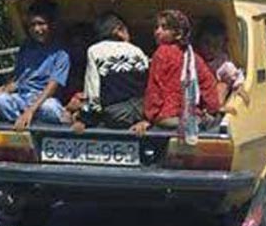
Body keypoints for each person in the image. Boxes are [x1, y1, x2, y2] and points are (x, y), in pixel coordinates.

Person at [131, 10, 221, 143]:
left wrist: (148, 118)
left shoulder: (161, 54)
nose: (157, 32)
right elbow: (208, 85)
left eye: (164, 28)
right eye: (156, 27)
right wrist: (211, 111)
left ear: (178, 34)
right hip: (192, 119)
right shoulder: (193, 56)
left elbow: (155, 89)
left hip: (167, 118)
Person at [0, 0, 70, 130]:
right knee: (0, 100)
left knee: (50, 107)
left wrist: (31, 110)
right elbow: (18, 80)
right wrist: (1, 92)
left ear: (51, 25)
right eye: (33, 25)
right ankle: (23, 122)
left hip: (44, 100)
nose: (37, 29)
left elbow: (52, 86)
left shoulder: (61, 53)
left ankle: (26, 119)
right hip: (23, 98)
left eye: (41, 24)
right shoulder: (26, 48)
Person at [73, 13, 149, 130]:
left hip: (116, 115)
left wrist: (86, 119)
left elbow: (93, 89)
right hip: (140, 111)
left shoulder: (95, 51)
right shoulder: (137, 50)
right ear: (118, 30)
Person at [194, 18, 249, 105]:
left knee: (222, 86)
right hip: (198, 91)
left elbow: (235, 74)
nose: (211, 49)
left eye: (216, 45)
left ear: (222, 46)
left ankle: (216, 107)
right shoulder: (194, 57)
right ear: (198, 42)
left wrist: (239, 86)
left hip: (213, 92)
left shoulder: (222, 63)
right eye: (206, 43)